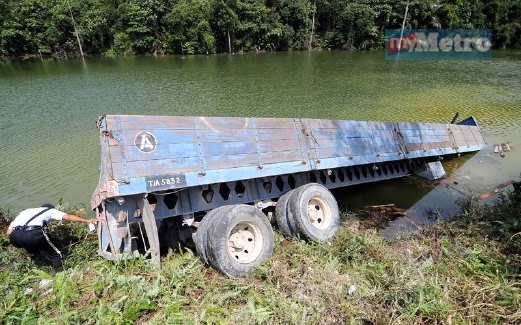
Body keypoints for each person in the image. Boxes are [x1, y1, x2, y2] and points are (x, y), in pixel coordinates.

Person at [6, 203, 97, 269]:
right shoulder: (51, 211)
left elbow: (8, 232)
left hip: (14, 237)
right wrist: (88, 221)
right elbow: (68, 217)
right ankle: (58, 273)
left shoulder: (26, 211)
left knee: (31, 244)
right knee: (56, 253)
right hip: (33, 234)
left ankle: (35, 256)